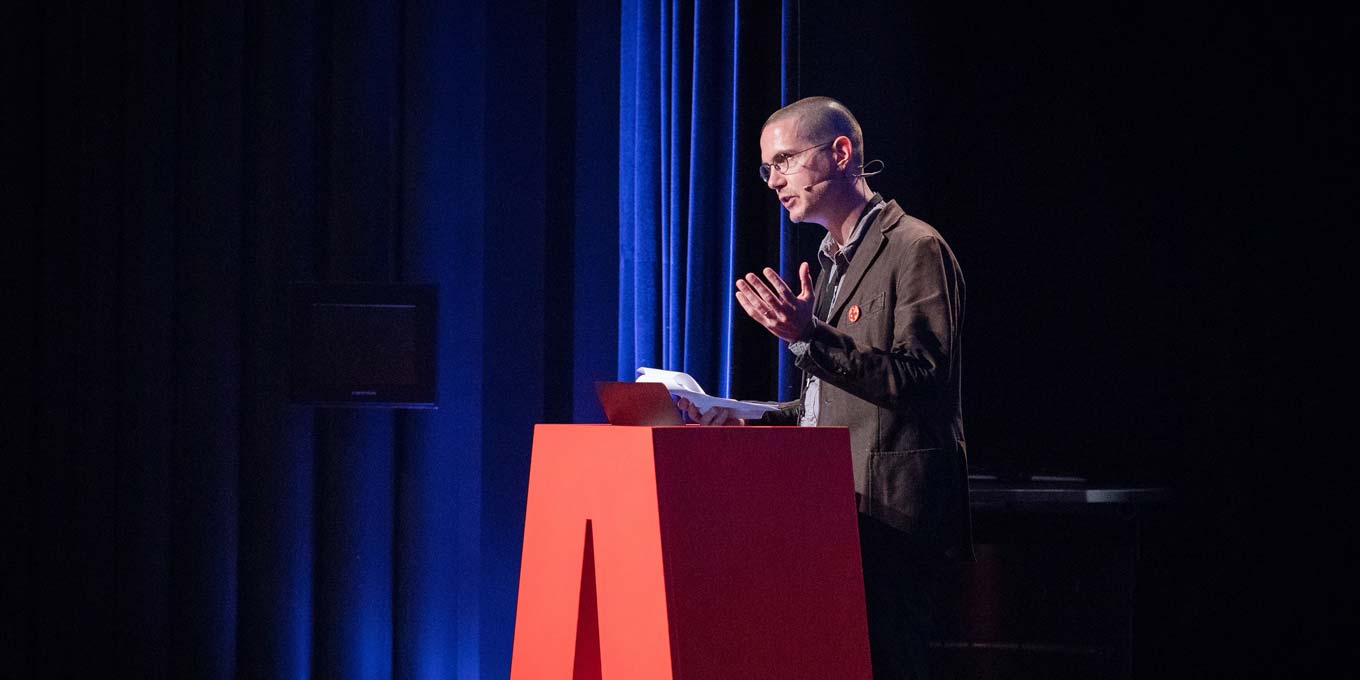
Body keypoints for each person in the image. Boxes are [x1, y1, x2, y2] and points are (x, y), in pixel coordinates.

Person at [677, 96, 972, 680]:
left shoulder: (915, 248)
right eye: (767, 169)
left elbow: (921, 379)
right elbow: (829, 405)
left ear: (840, 153)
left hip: (894, 523)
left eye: (784, 160)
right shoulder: (832, 260)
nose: (774, 180)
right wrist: (743, 414)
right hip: (834, 516)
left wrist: (809, 334)